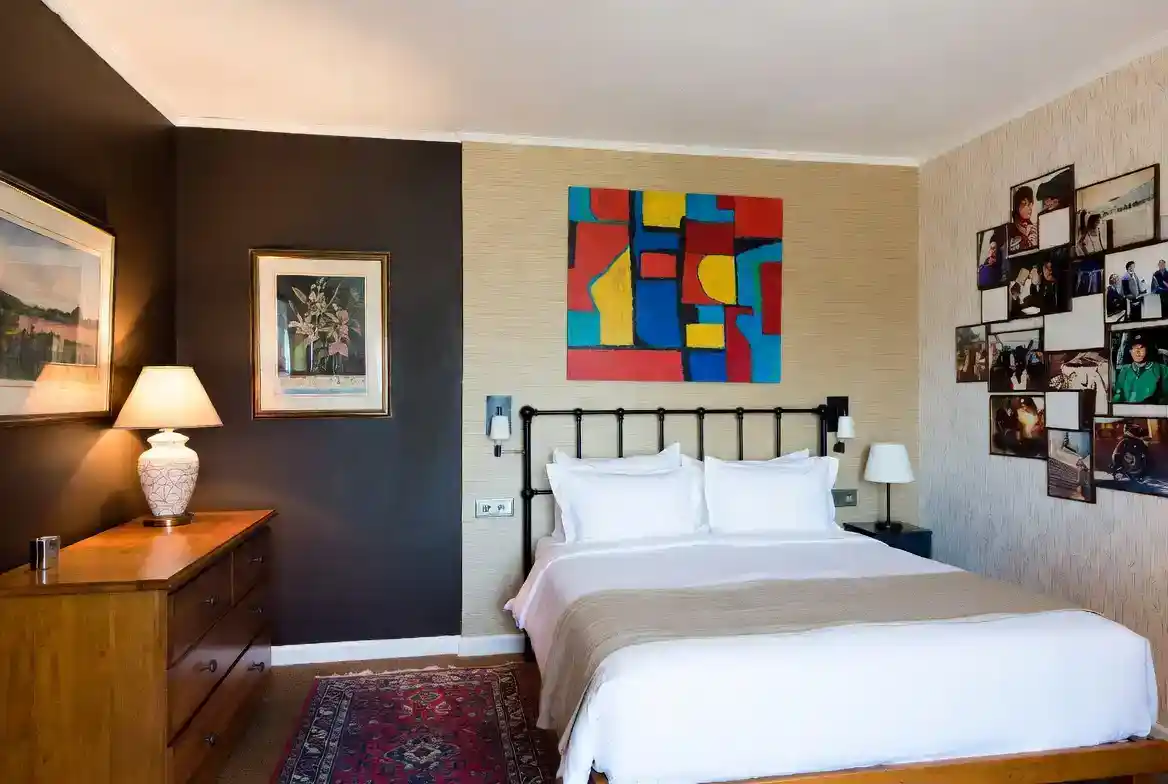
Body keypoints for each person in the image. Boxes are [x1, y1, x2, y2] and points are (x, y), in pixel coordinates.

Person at [1112, 333, 1168, 404]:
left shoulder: (1161, 369)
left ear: (1147, 350)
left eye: (1141, 348)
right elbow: (1118, 394)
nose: (1137, 351)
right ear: (1130, 351)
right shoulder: (1125, 370)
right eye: (1134, 348)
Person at [1008, 186, 1038, 254]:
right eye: (1025, 204)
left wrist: (1035, 244)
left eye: (1031, 204)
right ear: (1017, 206)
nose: (1030, 208)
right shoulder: (1010, 229)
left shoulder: (1033, 228)